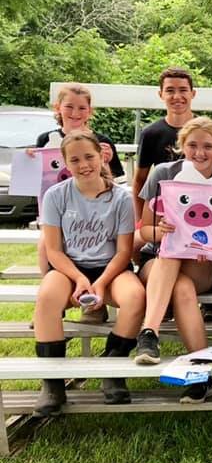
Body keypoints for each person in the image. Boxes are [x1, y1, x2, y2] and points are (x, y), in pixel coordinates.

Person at [33, 130, 144, 415]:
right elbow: (54, 250)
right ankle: (53, 383)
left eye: (89, 157)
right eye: (75, 160)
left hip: (111, 267)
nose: (84, 165)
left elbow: (123, 251)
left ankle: (113, 368)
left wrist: (102, 282)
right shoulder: (56, 195)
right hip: (70, 268)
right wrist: (80, 279)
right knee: (47, 297)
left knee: (135, 296)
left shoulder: (120, 198)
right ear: (66, 163)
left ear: (101, 156)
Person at [133, 117, 212, 402]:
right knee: (174, 266)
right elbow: (144, 230)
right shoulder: (163, 174)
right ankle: (202, 374)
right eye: (192, 145)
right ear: (181, 146)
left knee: (177, 259)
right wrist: (161, 230)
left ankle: (148, 333)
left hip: (202, 264)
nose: (200, 152)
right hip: (158, 260)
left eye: (208, 146)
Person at [34, 83, 126, 306]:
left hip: (94, 214)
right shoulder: (46, 139)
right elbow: (40, 178)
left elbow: (115, 184)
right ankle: (55, 300)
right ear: (58, 108)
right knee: (45, 243)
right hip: (58, 211)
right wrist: (30, 158)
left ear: (90, 111)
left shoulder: (101, 142)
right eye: (69, 107)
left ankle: (92, 304)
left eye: (82, 108)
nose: (75, 113)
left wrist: (106, 160)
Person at [133, 67, 212, 221]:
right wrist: (139, 220)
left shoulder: (209, 130)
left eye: (183, 90)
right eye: (170, 90)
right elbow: (139, 180)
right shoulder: (151, 134)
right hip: (166, 215)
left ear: (193, 93)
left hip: (203, 211)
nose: (177, 96)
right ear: (161, 94)